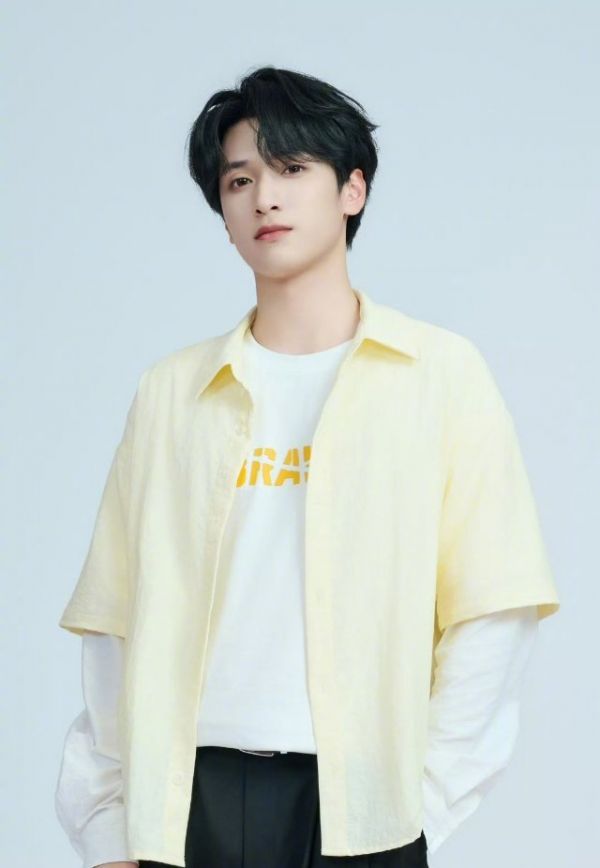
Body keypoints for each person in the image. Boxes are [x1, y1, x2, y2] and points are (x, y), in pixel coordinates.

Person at [55, 66, 560, 868]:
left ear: (352, 189)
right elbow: (116, 622)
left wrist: (420, 801)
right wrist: (108, 825)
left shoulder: (439, 375)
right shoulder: (171, 393)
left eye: (292, 169)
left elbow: (493, 606)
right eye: (239, 180)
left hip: (364, 807)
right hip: (188, 801)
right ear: (223, 214)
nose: (265, 198)